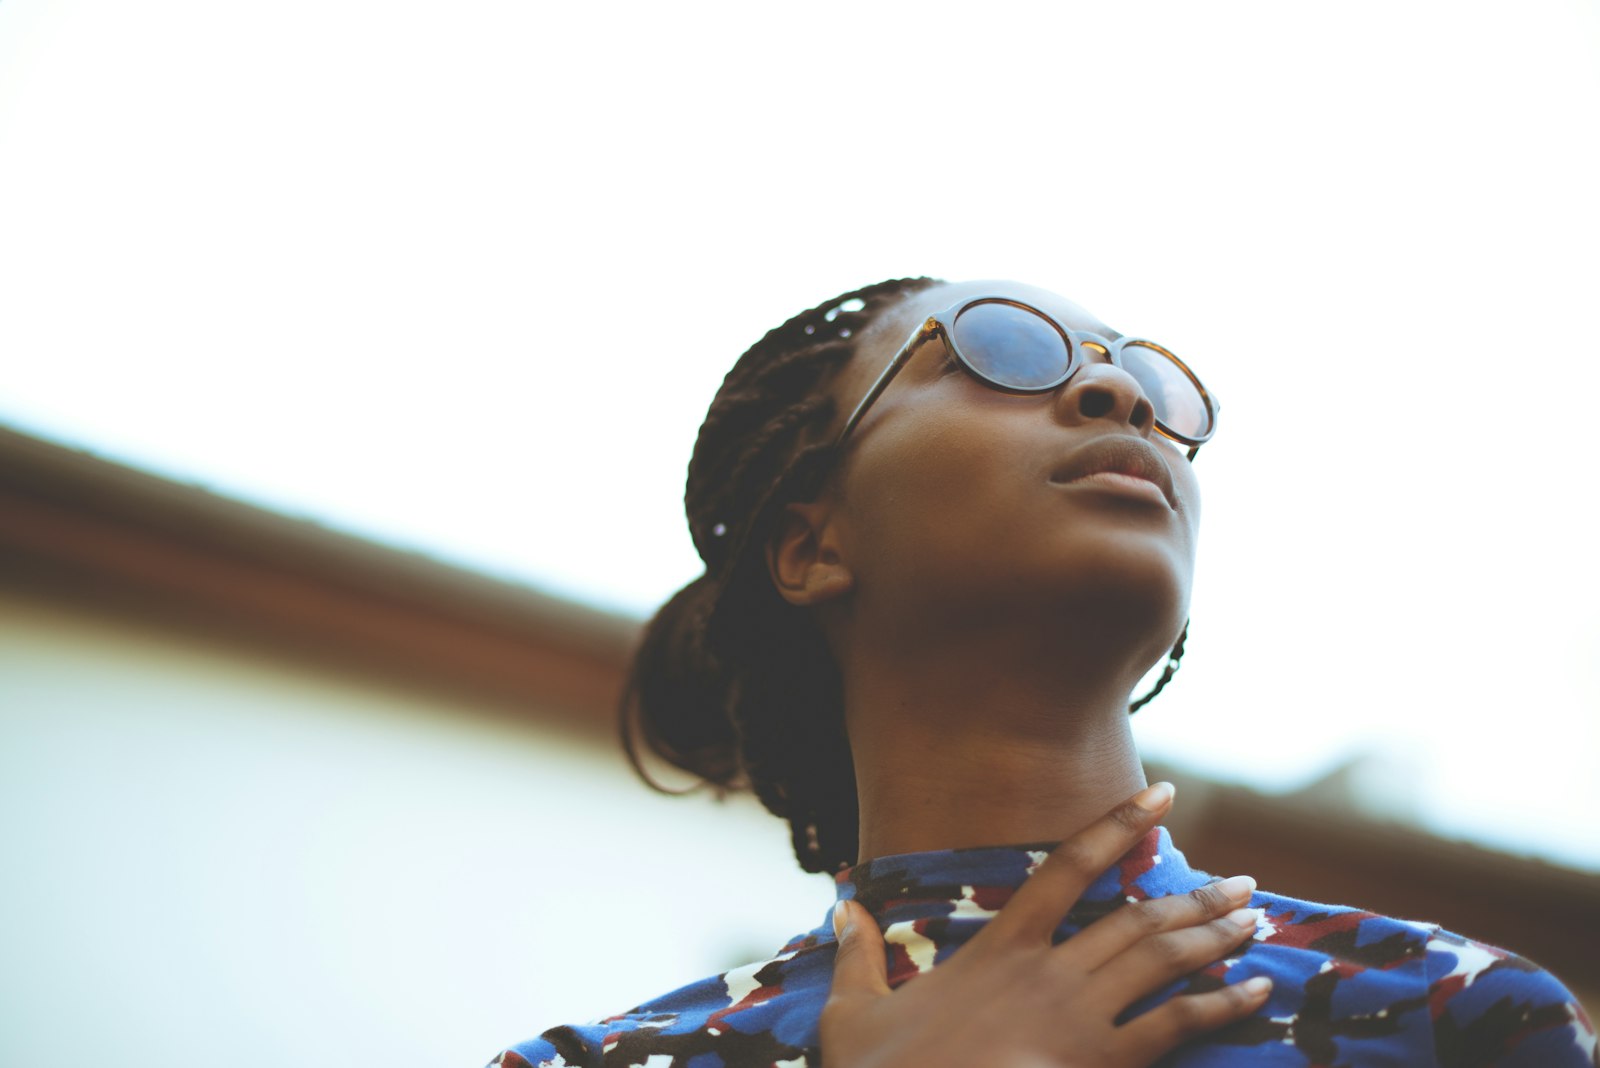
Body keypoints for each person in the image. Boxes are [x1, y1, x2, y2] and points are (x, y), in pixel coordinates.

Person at [489, 278, 1597, 1067]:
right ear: (813, 546)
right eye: (1001, 353)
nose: (1118, 397)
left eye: (1147, 385)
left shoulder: (1467, 1020)